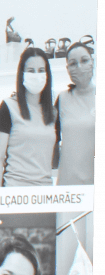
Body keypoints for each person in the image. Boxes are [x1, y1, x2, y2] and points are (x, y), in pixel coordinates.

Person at [0, 48, 56, 187]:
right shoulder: (9, 107)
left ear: (47, 74)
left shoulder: (53, 112)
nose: (37, 75)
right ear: (22, 74)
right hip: (15, 191)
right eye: (31, 71)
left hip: (45, 192)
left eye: (41, 70)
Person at [55, 40, 94, 186]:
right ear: (67, 68)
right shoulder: (62, 99)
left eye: (84, 60)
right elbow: (51, 139)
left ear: (92, 62)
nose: (79, 67)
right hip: (67, 186)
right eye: (73, 63)